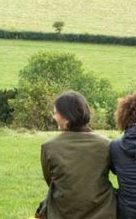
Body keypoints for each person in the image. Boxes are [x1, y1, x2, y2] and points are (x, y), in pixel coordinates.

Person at [38, 91, 116, 219]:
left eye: (56, 112)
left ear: (67, 117)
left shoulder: (49, 147)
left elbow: (51, 181)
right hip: (104, 212)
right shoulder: (106, 144)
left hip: (62, 213)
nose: (54, 117)